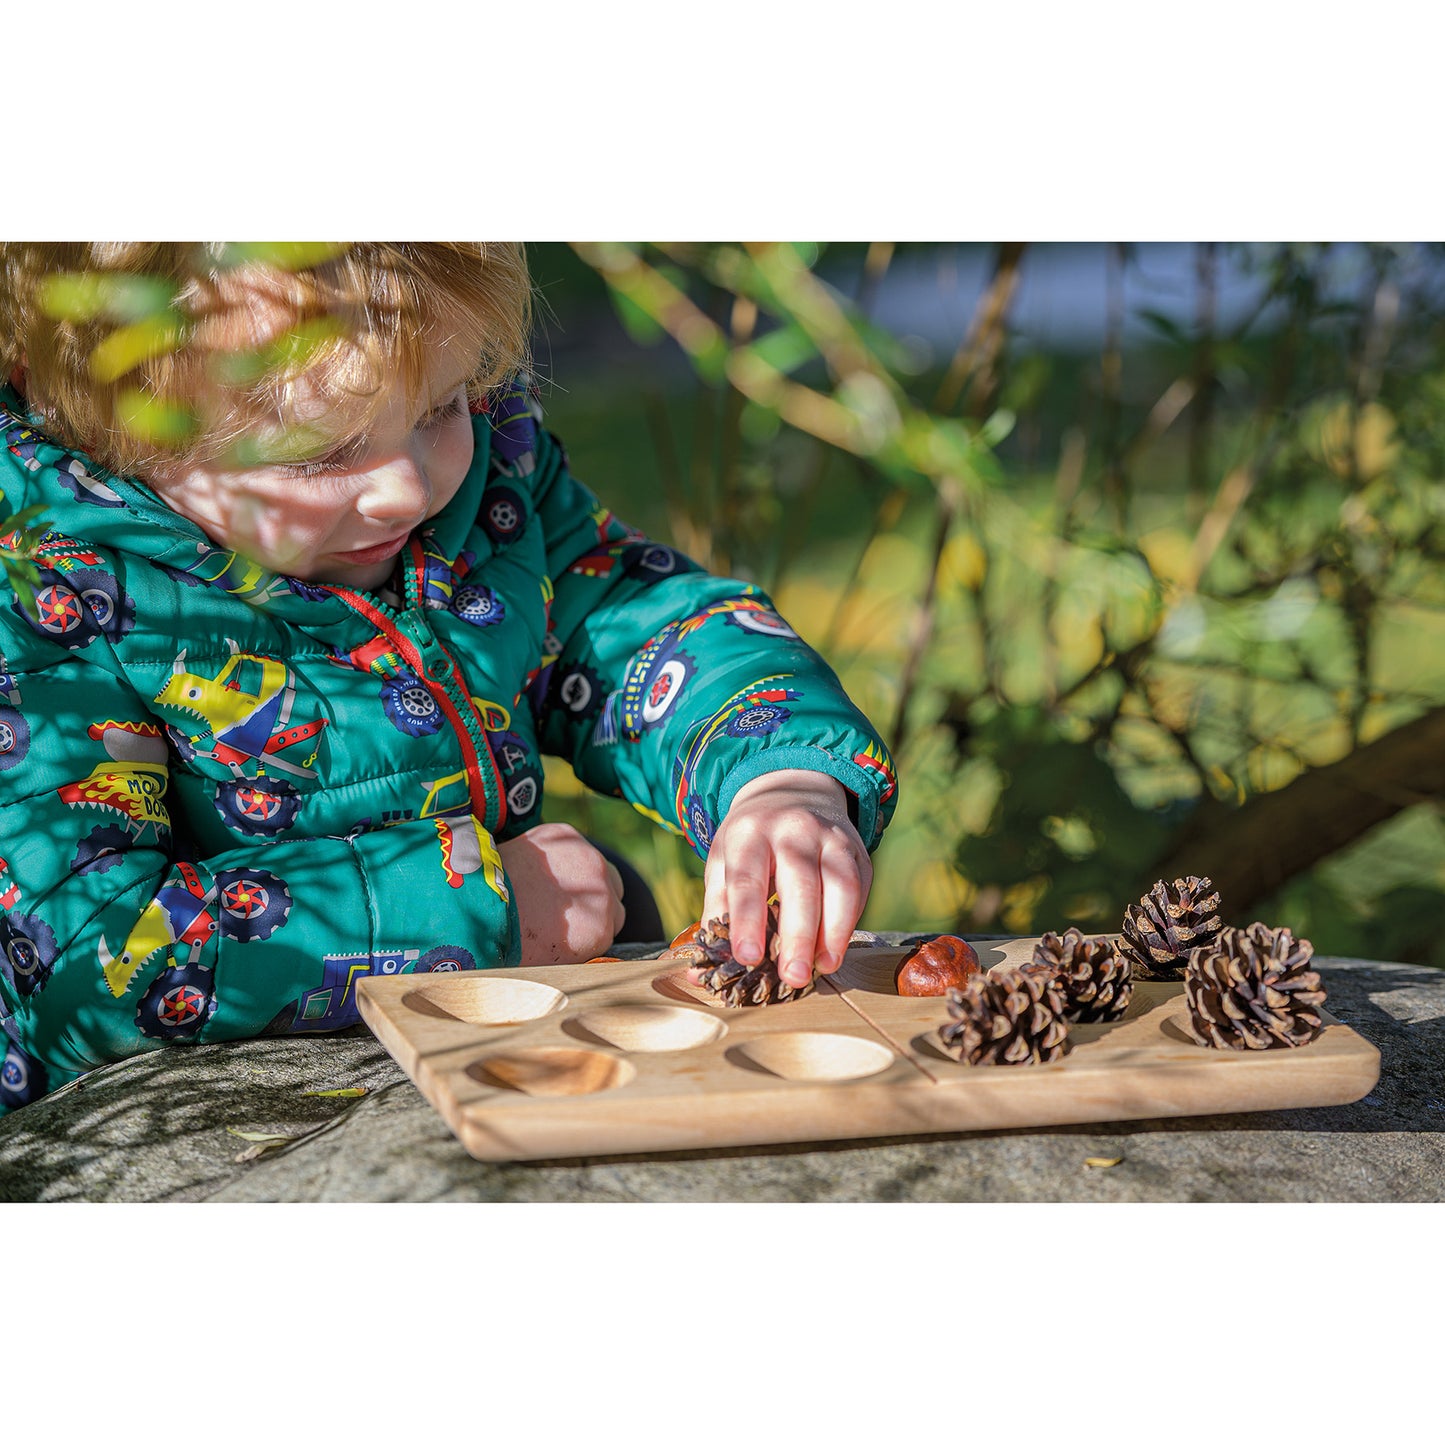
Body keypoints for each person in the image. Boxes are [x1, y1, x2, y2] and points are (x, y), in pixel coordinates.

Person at [0, 243, 898, 1113]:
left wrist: (779, 775)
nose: (403, 488)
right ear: (111, 425)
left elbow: (634, 622)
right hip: (191, 1119)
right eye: (317, 451)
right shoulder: (48, 598)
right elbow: (86, 957)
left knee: (616, 894)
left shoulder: (485, 501)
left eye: (440, 405)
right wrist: (479, 907)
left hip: (473, 1041)